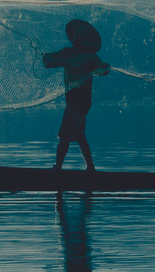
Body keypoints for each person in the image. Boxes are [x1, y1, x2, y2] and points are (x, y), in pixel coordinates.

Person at [43, 19, 110, 171]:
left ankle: (57, 168)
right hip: (71, 101)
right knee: (80, 136)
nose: (76, 37)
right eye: (75, 35)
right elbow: (50, 62)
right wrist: (46, 58)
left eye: (80, 35)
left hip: (80, 103)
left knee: (65, 136)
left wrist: (105, 68)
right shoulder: (67, 53)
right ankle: (91, 168)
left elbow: (101, 70)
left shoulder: (91, 57)